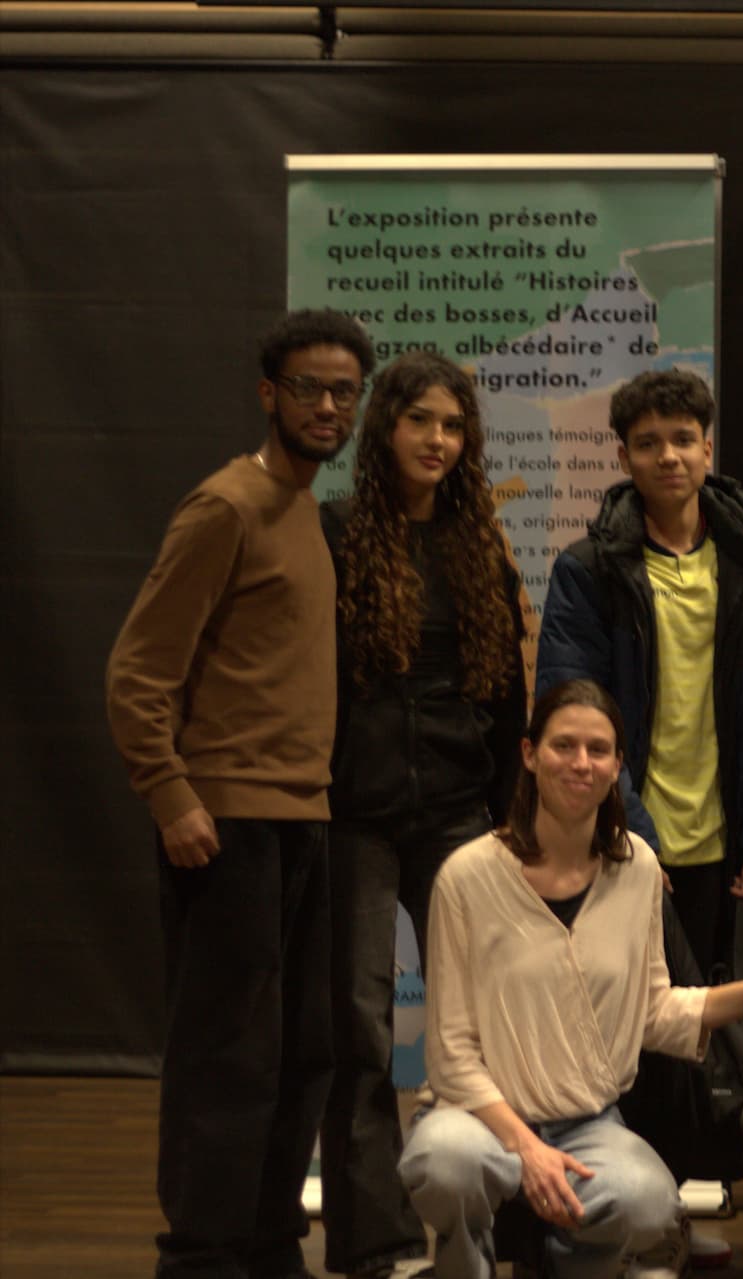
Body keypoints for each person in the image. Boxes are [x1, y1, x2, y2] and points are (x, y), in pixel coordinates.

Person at [105, 308, 374, 1278]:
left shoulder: (305, 509)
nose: (328, 405)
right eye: (309, 387)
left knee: (301, 1052)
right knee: (225, 1059)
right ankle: (205, 1255)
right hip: (225, 826)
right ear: (270, 394)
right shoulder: (224, 505)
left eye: (345, 390)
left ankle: (266, 1244)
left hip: (305, 821)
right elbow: (138, 672)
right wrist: (171, 795)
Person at [398, 679, 743, 1279]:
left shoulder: (637, 868)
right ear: (529, 754)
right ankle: (466, 1268)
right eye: (564, 745)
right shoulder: (466, 877)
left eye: (599, 750)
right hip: (477, 1120)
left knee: (650, 1204)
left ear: (619, 765)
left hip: (587, 1124)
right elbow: (451, 1054)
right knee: (444, 1165)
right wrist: (527, 1149)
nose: (581, 763)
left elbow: (650, 1013)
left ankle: (574, 1268)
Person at [318, 351, 528, 1279]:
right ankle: (376, 1242)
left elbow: (510, 698)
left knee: (475, 1032)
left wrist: (507, 812)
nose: (438, 440)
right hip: (354, 816)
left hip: (458, 815)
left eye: (453, 426)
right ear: (385, 430)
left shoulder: (477, 541)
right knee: (359, 1030)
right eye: (420, 423)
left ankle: (482, 1232)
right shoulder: (335, 533)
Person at [537, 367, 743, 974]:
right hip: (627, 838)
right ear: (623, 456)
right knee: (630, 1031)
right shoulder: (588, 572)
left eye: (684, 439)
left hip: (733, 841)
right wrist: (629, 833)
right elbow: (570, 713)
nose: (668, 456)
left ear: (708, 449)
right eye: (648, 443)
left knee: (721, 1032)